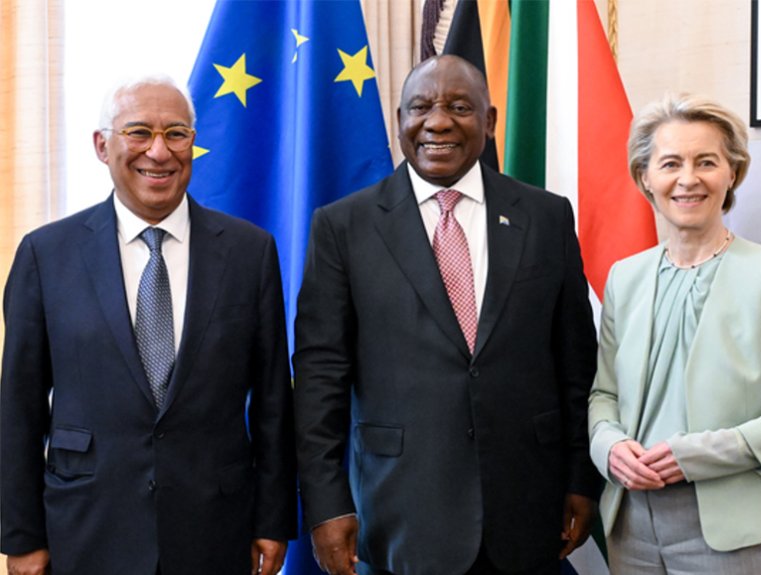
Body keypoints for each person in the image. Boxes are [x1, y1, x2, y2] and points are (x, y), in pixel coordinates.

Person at [292, 54, 601, 575]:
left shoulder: (546, 217)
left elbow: (576, 364)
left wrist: (581, 478)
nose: (438, 121)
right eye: (421, 107)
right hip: (400, 516)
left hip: (527, 509)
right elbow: (320, 380)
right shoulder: (343, 227)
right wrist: (327, 505)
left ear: (490, 121)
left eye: (459, 106)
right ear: (399, 122)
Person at [0, 76, 296, 575]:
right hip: (86, 528)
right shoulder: (45, 255)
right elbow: (19, 409)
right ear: (102, 145)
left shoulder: (250, 253)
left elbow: (272, 402)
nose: (159, 152)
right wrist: (21, 535)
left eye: (176, 133)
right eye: (138, 132)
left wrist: (272, 519)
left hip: (215, 530)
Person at [588, 93, 761, 574]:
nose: (687, 179)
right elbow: (603, 394)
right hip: (631, 522)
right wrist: (610, 448)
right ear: (645, 177)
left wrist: (695, 456)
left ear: (732, 173)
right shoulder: (624, 277)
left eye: (706, 162)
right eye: (670, 163)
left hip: (732, 526)